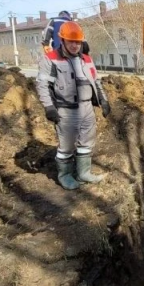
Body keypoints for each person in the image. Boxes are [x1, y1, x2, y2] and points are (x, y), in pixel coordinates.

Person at [36, 21, 112, 190]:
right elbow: (43, 85)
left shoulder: (86, 59)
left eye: (77, 42)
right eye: (71, 41)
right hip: (66, 110)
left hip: (86, 108)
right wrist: (49, 107)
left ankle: (83, 173)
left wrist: (103, 101)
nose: (74, 45)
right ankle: (65, 175)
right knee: (67, 146)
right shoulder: (51, 59)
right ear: (62, 40)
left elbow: (96, 82)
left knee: (87, 142)